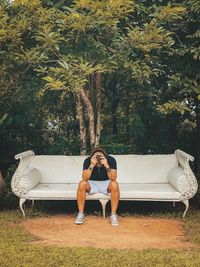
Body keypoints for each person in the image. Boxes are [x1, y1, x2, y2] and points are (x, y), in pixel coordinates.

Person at [75, 146, 120, 226]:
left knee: (115, 185)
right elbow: (85, 178)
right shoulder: (88, 160)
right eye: (96, 154)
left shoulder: (110, 160)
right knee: (82, 184)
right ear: (92, 155)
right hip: (92, 183)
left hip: (106, 183)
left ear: (104, 155)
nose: (98, 156)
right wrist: (92, 165)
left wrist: (106, 165)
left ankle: (113, 214)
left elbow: (113, 178)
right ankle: (81, 213)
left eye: (100, 154)